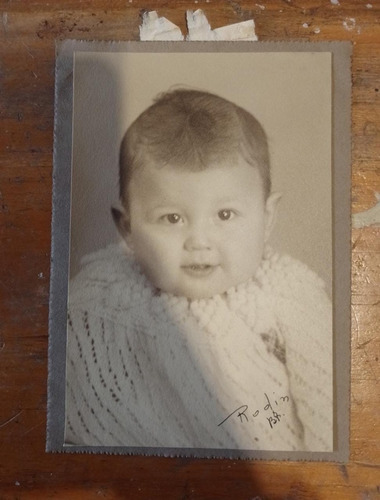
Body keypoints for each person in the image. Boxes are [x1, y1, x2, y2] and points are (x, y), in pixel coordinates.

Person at [65, 89, 333, 452]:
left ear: (266, 219)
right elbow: (78, 411)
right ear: (127, 228)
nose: (199, 241)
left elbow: (328, 407)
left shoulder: (289, 295)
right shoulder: (98, 302)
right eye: (172, 218)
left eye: (225, 215)